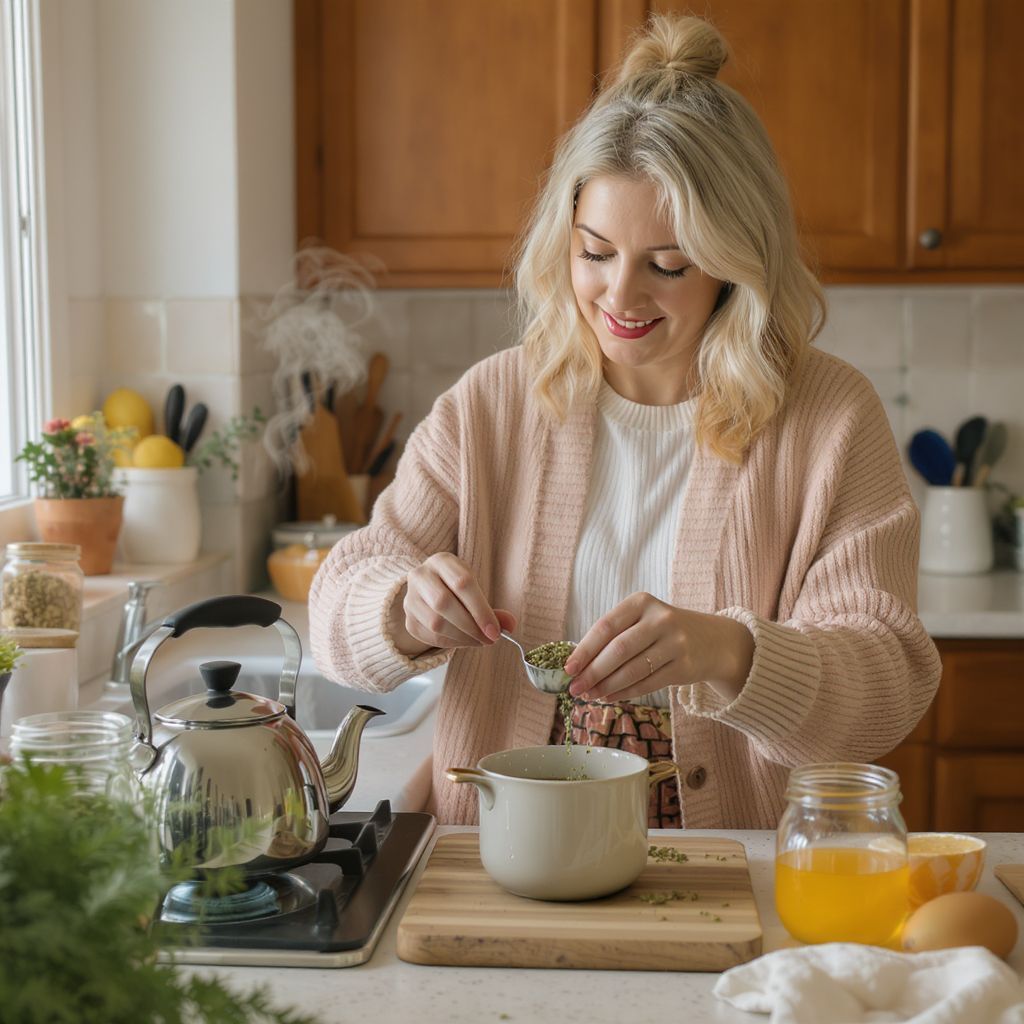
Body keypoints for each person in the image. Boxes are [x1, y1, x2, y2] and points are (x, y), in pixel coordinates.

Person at [309, 13, 941, 829]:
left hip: (728, 866)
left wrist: (727, 651)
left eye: (668, 266)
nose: (620, 297)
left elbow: (888, 681)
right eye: (595, 253)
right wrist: (401, 606)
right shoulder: (491, 406)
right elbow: (337, 603)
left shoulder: (829, 419)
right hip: (503, 853)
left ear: (736, 263)